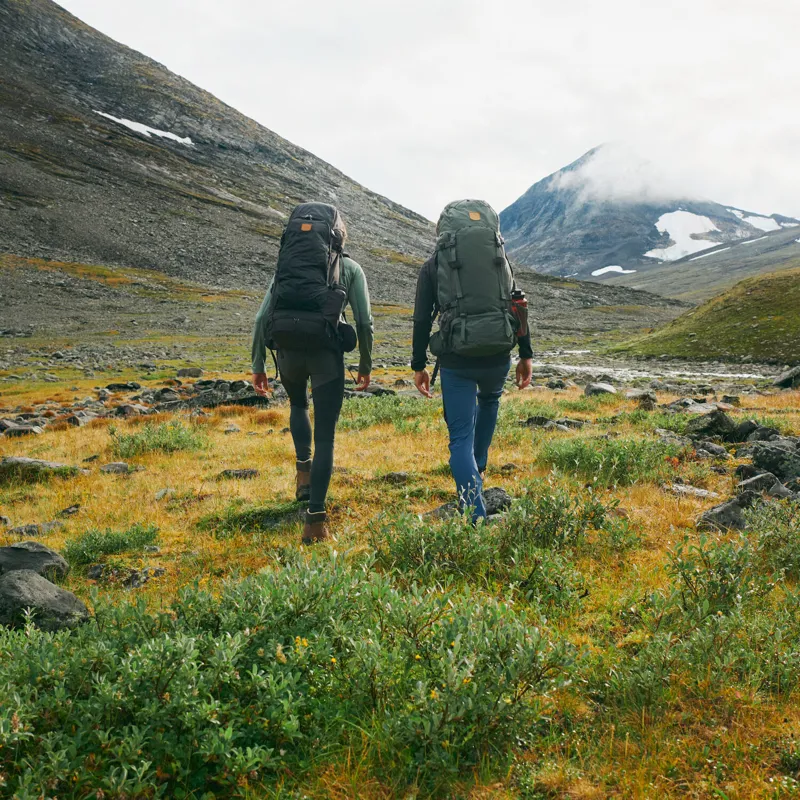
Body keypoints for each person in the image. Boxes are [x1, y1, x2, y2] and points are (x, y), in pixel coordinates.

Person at [251, 203, 373, 544]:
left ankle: (303, 473)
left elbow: (262, 319)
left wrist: (258, 365)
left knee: (298, 406)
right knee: (327, 438)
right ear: (338, 236)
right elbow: (364, 322)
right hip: (325, 358)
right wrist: (365, 365)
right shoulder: (350, 269)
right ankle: (315, 522)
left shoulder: (286, 268)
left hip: (288, 355)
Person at [411, 199, 533, 520]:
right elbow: (517, 303)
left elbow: (421, 320)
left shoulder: (434, 264)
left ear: (444, 231)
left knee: (459, 440)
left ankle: (475, 518)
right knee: (490, 401)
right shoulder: (499, 256)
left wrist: (418, 366)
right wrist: (526, 355)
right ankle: (479, 469)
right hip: (498, 354)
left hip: (456, 359)